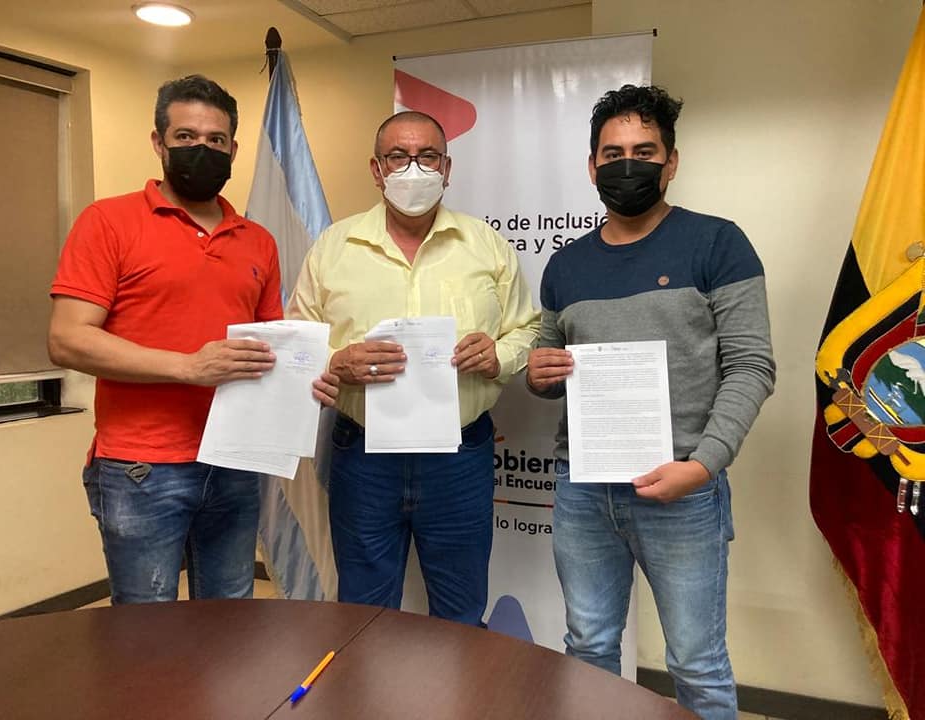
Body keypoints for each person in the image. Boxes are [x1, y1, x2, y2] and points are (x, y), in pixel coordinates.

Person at [526, 85, 775, 719]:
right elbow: (546, 363)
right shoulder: (565, 265)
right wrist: (540, 373)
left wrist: (703, 465)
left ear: (671, 162)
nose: (627, 165)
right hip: (584, 487)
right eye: (613, 154)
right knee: (588, 646)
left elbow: (752, 366)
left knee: (696, 663)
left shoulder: (717, 243)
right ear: (592, 167)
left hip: (682, 488)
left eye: (644, 152)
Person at [48, 75, 338, 605]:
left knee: (228, 621)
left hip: (235, 460)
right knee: (147, 627)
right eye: (185, 137)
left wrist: (312, 380)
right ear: (158, 143)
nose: (201, 149)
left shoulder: (257, 240)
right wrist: (188, 367)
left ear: (233, 150)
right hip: (142, 466)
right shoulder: (107, 222)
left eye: (215, 140)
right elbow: (68, 340)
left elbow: (270, 351)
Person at [287, 110, 540, 626]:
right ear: (376, 169)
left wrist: (500, 355)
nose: (413, 168)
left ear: (446, 168)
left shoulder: (485, 244)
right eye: (398, 157)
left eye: (427, 156)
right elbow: (297, 340)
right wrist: (335, 361)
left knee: (461, 611)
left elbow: (527, 328)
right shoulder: (333, 247)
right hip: (362, 456)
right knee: (364, 613)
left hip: (459, 455)